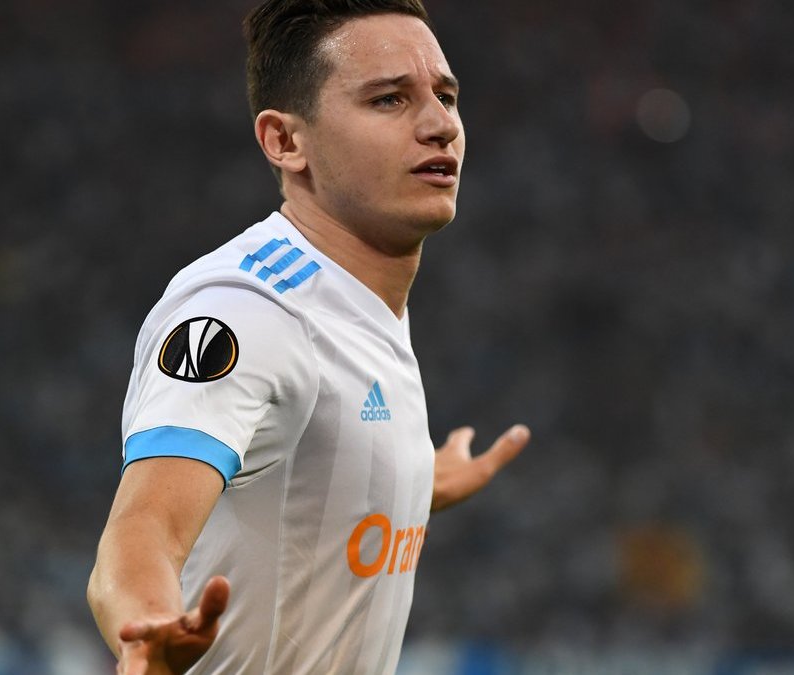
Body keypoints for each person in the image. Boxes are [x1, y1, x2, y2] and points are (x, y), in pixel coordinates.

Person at [86, 1, 530, 673]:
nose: (440, 124)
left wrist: (410, 480)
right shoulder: (248, 309)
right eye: (388, 100)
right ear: (285, 141)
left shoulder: (361, 299)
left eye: (445, 96)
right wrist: (145, 623)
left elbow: (301, 471)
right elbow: (144, 526)